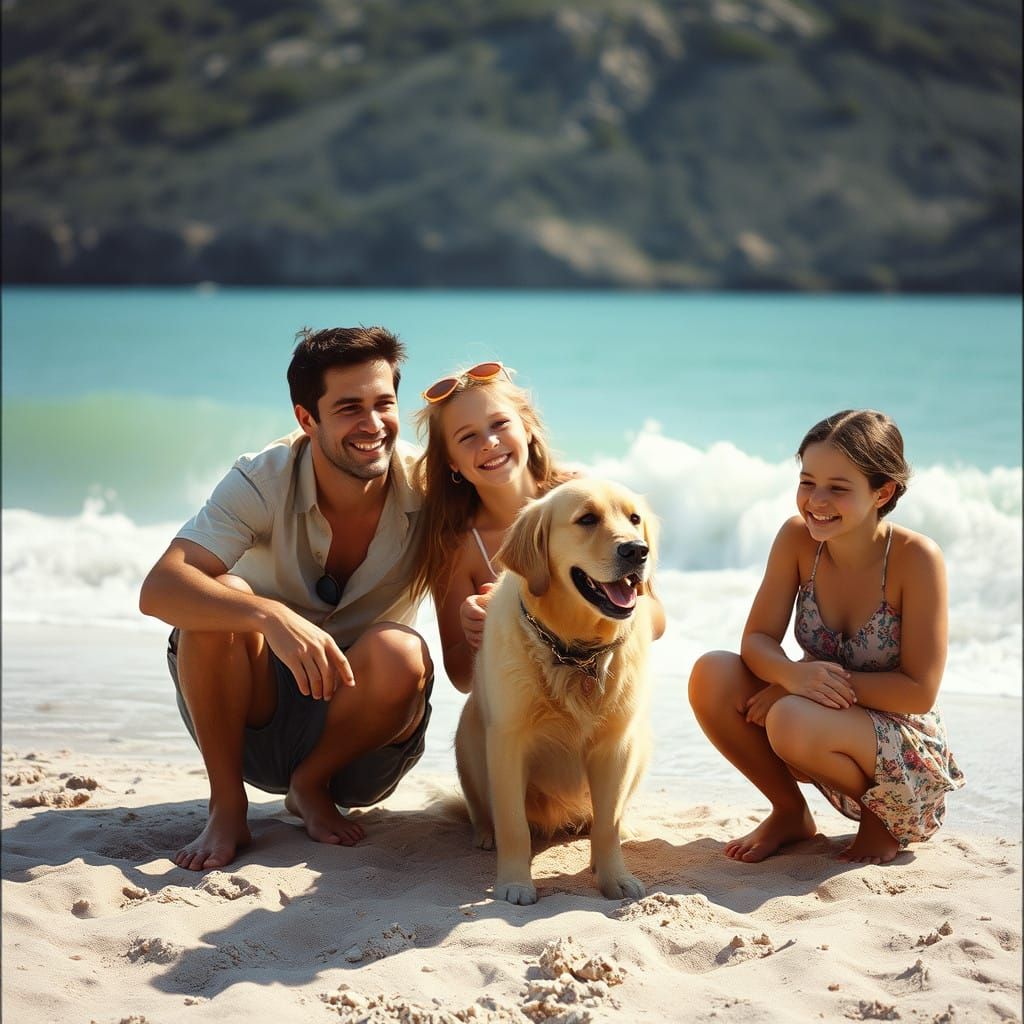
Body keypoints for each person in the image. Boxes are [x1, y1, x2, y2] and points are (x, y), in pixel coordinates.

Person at [139, 326, 433, 871]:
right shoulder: (263, 478)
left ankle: (310, 786)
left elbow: (513, 516)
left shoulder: (430, 488)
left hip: (362, 745)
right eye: (349, 408)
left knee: (403, 650)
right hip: (252, 726)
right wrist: (268, 615)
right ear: (306, 418)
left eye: (383, 404)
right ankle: (227, 807)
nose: (373, 424)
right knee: (225, 597)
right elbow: (160, 588)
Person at [688, 409, 963, 865]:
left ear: (883, 492)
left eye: (838, 488)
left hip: (902, 751)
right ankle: (789, 812)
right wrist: (791, 677)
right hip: (814, 713)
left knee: (789, 717)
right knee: (712, 674)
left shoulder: (917, 559)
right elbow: (757, 639)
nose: (816, 500)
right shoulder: (798, 540)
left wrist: (802, 687)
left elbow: (918, 691)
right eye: (807, 481)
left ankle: (882, 820)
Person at [410, 361, 666, 692]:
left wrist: (610, 615)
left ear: (527, 427)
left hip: (602, 699)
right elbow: (462, 677)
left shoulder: (586, 498)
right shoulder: (458, 548)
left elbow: (656, 617)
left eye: (500, 423)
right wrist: (478, 633)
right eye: (468, 436)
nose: (489, 442)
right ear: (451, 461)